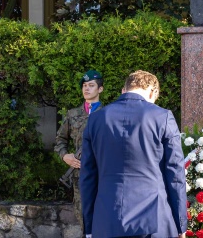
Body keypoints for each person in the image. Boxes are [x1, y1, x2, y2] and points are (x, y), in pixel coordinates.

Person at [80, 70, 187, 238]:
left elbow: (87, 176)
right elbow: (175, 173)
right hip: (155, 218)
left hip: (107, 218)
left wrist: (89, 227)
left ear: (124, 90)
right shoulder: (163, 116)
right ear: (153, 92)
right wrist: (181, 225)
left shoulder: (95, 119)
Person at [54, 69, 104, 232]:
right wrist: (65, 156)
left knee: (103, 216)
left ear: (100, 89)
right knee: (83, 217)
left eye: (91, 85)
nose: (86, 89)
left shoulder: (108, 114)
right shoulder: (72, 114)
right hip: (79, 176)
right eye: (84, 85)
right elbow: (60, 140)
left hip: (103, 175)